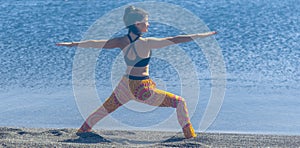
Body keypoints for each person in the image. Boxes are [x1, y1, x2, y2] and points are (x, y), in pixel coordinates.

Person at [57, 6, 216, 139]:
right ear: (138, 24)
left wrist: (73, 44)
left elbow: (95, 44)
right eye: (147, 22)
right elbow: (177, 39)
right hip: (142, 89)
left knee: (103, 110)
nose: (149, 25)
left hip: (124, 86)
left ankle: (83, 131)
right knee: (180, 102)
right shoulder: (147, 43)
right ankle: (190, 137)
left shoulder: (121, 41)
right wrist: (202, 35)